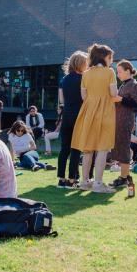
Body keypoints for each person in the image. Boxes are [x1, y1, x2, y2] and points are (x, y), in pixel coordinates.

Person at [71, 43, 118, 193]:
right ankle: (98, 183)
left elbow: (84, 96)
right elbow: (113, 93)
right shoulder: (110, 72)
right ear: (105, 57)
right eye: (110, 57)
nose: (111, 61)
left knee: (88, 149)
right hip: (105, 112)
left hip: (88, 112)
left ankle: (84, 182)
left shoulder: (86, 73)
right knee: (102, 149)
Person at [56, 50, 87, 189]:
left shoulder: (64, 79)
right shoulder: (83, 79)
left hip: (66, 115)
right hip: (78, 115)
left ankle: (61, 180)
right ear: (80, 64)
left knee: (64, 148)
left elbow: (61, 100)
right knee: (76, 148)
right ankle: (72, 180)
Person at [110, 60, 137, 189]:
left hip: (125, 121)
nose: (118, 74)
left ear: (128, 71)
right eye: (117, 72)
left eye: (119, 72)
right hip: (118, 121)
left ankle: (124, 178)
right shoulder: (123, 85)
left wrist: (121, 99)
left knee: (123, 148)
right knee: (119, 148)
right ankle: (123, 177)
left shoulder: (135, 85)